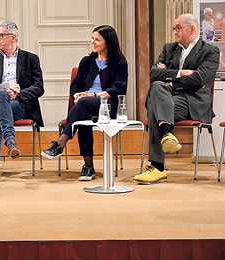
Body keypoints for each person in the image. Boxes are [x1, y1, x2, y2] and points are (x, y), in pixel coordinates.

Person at [134, 13, 219, 185]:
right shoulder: (169, 48)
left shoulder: (210, 51)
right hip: (170, 99)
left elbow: (199, 79)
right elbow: (154, 74)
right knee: (157, 87)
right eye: (174, 28)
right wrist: (181, 73)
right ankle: (167, 133)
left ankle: (157, 168)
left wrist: (170, 83)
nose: (174, 32)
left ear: (192, 29)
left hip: (193, 102)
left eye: (178, 28)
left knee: (155, 104)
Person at [40, 25, 128, 181]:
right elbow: (76, 84)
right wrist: (76, 95)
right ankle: (88, 166)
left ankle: (61, 143)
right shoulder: (87, 61)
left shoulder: (120, 63)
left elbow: (118, 88)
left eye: (97, 39)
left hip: (108, 105)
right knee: (83, 117)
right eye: (92, 38)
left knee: (85, 102)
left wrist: (93, 94)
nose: (93, 42)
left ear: (108, 42)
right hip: (85, 105)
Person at [0, 21, 44, 184]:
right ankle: (10, 140)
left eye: (0, 35)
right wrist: (3, 88)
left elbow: (39, 88)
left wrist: (18, 93)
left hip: (18, 104)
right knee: (0, 94)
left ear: (12, 37)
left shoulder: (31, 59)